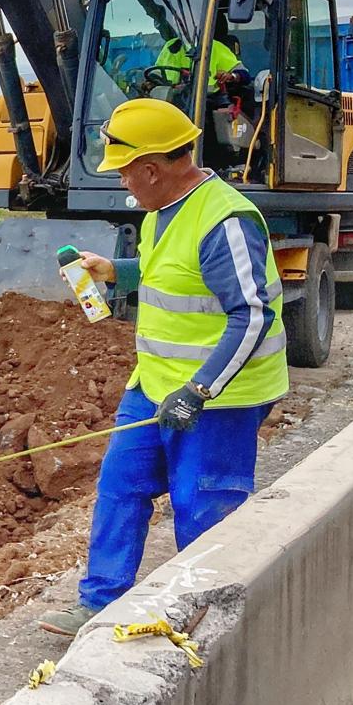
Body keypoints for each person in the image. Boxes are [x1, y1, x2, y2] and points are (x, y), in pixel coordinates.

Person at [38, 98, 289, 637]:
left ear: (152, 168)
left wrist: (198, 390)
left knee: (202, 506)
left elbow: (251, 317)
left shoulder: (224, 221)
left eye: (125, 170)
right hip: (154, 385)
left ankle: (204, 618)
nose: (122, 180)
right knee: (121, 484)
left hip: (220, 398)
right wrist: (116, 272)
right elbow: (170, 278)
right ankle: (101, 600)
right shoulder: (160, 212)